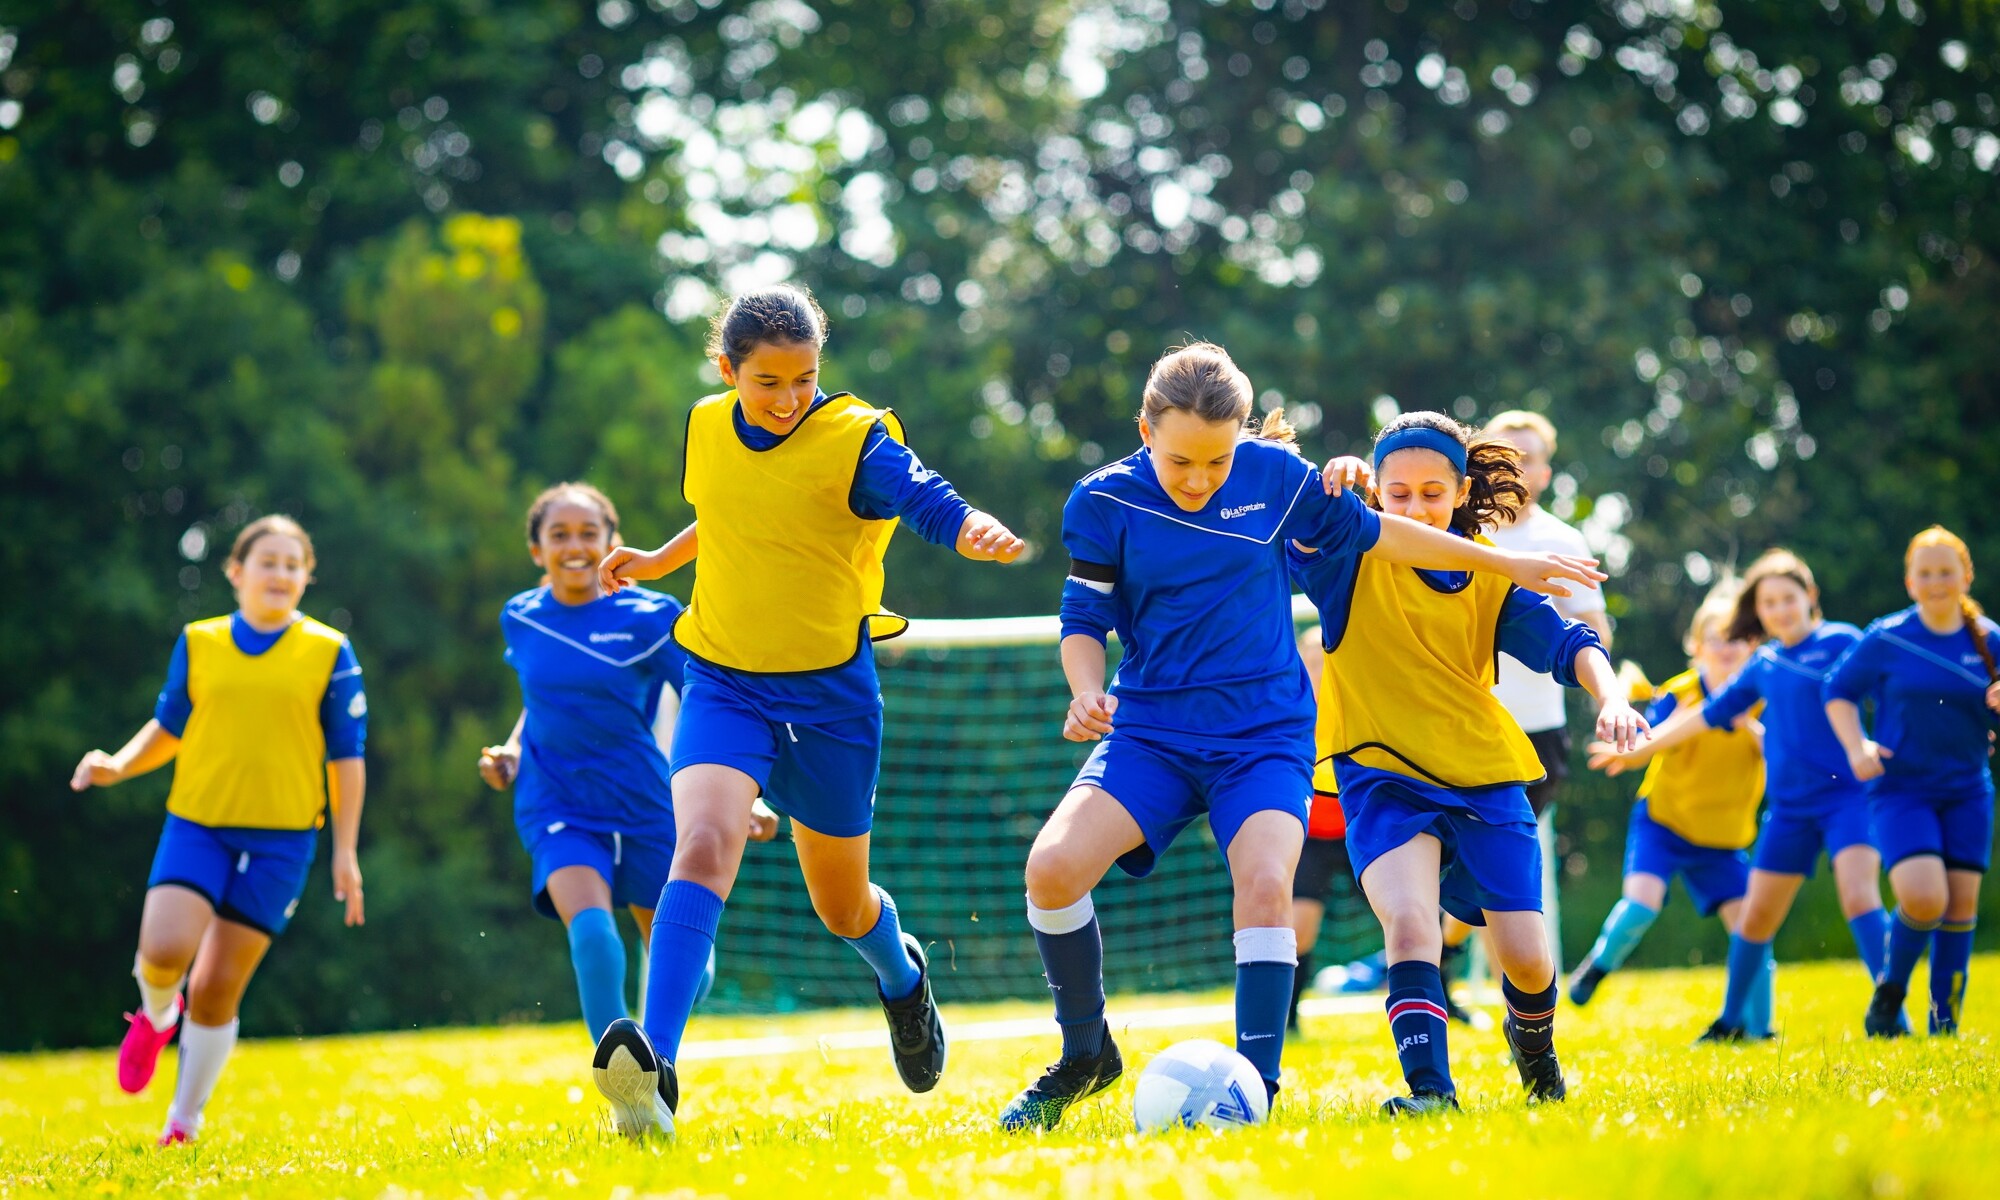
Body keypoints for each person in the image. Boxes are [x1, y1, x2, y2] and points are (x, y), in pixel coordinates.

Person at [997, 353, 1605, 1131]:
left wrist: (1504, 561)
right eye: (1180, 461)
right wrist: (1086, 688)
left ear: (1241, 440)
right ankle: (1085, 1053)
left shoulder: (1277, 477)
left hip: (1264, 734)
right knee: (1051, 871)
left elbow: (1389, 535)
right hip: (1152, 730)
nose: (1199, 479)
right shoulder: (1102, 500)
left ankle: (1255, 1088)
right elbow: (1084, 616)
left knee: (1265, 884)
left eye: (1217, 460)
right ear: (1145, 431)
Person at [584, 285, 1026, 1138]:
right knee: (702, 845)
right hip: (723, 676)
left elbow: (923, 494)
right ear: (728, 370)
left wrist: (968, 525)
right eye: (768, 382)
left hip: (829, 700)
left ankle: (901, 977)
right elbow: (731, 514)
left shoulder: (854, 439)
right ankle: (655, 1074)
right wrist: (661, 559)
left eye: (805, 379)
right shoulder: (706, 424)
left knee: (842, 907)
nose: (789, 399)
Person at [1292, 412, 1642, 1116]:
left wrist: (1611, 697)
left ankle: (1536, 1057)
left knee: (1528, 959)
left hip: (1484, 774)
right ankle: (1431, 1091)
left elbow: (1569, 641)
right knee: (1410, 925)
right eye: (1397, 493)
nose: (1415, 506)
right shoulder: (1347, 557)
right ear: (1376, 492)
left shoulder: (1491, 571)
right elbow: (1300, 526)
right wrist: (1333, 482)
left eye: (1432, 493)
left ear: (1460, 493)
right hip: (1382, 776)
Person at [70, 516, 367, 1146]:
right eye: (268, 562)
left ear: (307, 578)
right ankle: (156, 1017)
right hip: (199, 826)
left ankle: (183, 1121)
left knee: (214, 990)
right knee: (163, 952)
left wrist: (345, 850)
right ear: (236, 572)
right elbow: (169, 726)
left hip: (283, 842)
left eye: (294, 565)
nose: (280, 574)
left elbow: (347, 757)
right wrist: (117, 765)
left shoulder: (330, 651)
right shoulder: (199, 641)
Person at [478, 483, 777, 1049]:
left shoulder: (650, 617)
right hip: (557, 802)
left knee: (689, 974)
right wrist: (513, 749)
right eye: (559, 535)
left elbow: (710, 703)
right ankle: (625, 1082)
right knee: (593, 937)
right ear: (537, 550)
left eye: (588, 533)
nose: (574, 546)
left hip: (642, 802)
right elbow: (542, 699)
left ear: (612, 542)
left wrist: (744, 796)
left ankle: (655, 1041)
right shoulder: (521, 617)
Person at [1591, 549, 1888, 1042]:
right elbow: (1704, 716)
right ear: (1759, 612)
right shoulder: (1764, 665)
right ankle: (1732, 1023)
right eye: (1769, 602)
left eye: (1788, 598)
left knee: (1859, 896)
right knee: (1754, 919)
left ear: (1810, 597)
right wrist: (1643, 747)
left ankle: (1891, 1011)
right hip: (1789, 812)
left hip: (1845, 800)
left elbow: (1890, 690)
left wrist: (1880, 743)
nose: (1780, 610)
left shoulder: (1842, 641)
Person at [1570, 581, 1772, 1032]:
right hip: (1664, 821)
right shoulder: (1681, 693)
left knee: (1753, 930)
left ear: (1753, 645)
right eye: (1716, 639)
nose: (1727, 647)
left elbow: (1783, 756)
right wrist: (1626, 748)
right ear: (1695, 647)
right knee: (1641, 904)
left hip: (1723, 837)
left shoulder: (1764, 697)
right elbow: (1647, 739)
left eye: (1737, 638)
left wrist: (1749, 726)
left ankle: (1759, 1029)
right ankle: (1599, 965)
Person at [1825, 526, 2000, 1036]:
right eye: (1925, 573)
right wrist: (1856, 746)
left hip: (1967, 789)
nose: (1936, 582)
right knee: (1925, 898)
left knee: (1960, 905)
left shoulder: (1990, 640)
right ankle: (1890, 993)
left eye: (1946, 572)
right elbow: (1837, 691)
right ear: (1909, 582)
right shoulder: (1888, 637)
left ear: (1966, 577)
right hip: (1901, 790)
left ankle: (1944, 1026)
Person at [1483, 411, 1614, 967]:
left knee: (1502, 861)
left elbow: (1596, 633)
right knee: (1477, 858)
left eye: (1528, 458)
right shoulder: (1459, 532)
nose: (1515, 468)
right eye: (1505, 456)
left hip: (1538, 734)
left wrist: (1610, 700)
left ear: (1544, 471)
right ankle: (1450, 965)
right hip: (1465, 723)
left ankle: (1484, 969)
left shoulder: (1563, 539)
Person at [1288, 626, 1361, 1034]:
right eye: (1312, 663)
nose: (1320, 671)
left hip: (1359, 832)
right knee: (1298, 929)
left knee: (1412, 913)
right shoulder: (1288, 712)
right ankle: (1288, 1019)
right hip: (1310, 838)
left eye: (1327, 663)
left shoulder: (1360, 706)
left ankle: (1442, 998)